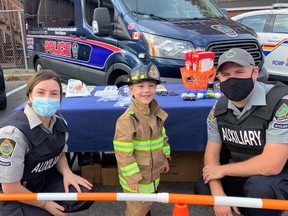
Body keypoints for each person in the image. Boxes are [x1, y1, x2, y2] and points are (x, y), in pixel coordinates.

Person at [194, 48, 288, 216]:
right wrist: (219, 196)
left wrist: (222, 170)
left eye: (239, 72)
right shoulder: (219, 108)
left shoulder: (281, 104)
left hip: (279, 175)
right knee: (204, 186)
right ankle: (243, 209)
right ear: (219, 78)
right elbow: (212, 156)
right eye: (226, 74)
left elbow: (272, 165)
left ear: (255, 72)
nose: (232, 79)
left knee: (259, 189)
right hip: (243, 172)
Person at [0, 69, 94, 216]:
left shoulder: (59, 121)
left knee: (84, 196)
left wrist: (67, 173)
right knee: (46, 213)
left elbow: (59, 152)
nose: (47, 98)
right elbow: (10, 188)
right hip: (11, 193)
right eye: (41, 92)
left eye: (54, 93)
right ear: (30, 95)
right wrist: (45, 204)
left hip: (42, 180)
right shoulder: (13, 134)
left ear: (60, 98)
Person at [113, 63, 170, 216]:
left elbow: (162, 138)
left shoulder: (156, 113)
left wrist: (165, 158)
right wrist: (132, 177)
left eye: (151, 85)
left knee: (146, 204)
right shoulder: (127, 119)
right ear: (131, 89)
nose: (146, 90)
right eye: (140, 86)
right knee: (136, 209)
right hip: (136, 178)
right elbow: (123, 153)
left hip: (152, 173)